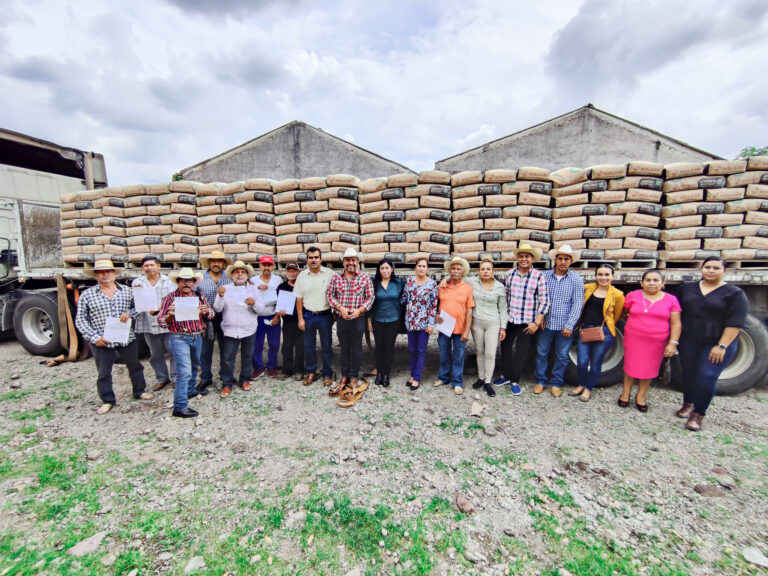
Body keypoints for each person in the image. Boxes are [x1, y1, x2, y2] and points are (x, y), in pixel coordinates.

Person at [675, 257, 748, 431]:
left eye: (716, 268)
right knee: (689, 373)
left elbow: (735, 323)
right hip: (690, 340)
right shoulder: (686, 289)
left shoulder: (735, 294)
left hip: (717, 343)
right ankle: (688, 403)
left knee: (706, 376)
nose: (711, 270)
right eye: (707, 267)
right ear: (701, 269)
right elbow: (675, 313)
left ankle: (698, 413)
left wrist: (722, 346)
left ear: (724, 271)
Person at [75, 259, 153, 415]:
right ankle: (108, 400)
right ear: (95, 275)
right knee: (104, 372)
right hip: (102, 340)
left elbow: (139, 308)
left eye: (108, 271)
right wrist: (94, 337)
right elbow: (81, 319)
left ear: (114, 274)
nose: (105, 274)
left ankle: (139, 391)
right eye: (100, 272)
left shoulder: (127, 291)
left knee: (135, 366)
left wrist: (129, 314)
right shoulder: (87, 295)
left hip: (126, 337)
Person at [619, 269, 681, 412]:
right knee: (630, 366)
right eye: (648, 280)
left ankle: (641, 396)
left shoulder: (671, 300)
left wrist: (673, 343)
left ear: (663, 283)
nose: (651, 283)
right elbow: (623, 313)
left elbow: (676, 324)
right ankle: (625, 393)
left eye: (655, 280)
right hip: (634, 339)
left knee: (649, 368)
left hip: (657, 342)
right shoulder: (633, 296)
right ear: (642, 283)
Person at [159, 268, 215, 418]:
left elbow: (211, 314)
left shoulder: (199, 296)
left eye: (189, 281)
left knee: (195, 365)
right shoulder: (170, 298)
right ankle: (179, 407)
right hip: (179, 337)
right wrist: (170, 315)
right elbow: (161, 322)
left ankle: (190, 390)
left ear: (194, 282)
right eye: (183, 280)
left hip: (197, 336)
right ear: (178, 282)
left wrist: (206, 311)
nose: (186, 283)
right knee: (184, 372)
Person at [495, 244, 550, 395]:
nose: (524, 259)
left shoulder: (539, 276)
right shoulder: (510, 274)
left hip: (527, 322)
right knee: (505, 348)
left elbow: (544, 301)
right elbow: (505, 297)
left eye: (527, 256)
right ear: (517, 258)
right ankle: (506, 376)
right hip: (510, 319)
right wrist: (502, 319)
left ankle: (515, 380)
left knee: (521, 352)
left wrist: (536, 322)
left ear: (532, 259)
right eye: (521, 256)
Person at [534, 245, 584, 397]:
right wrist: (540, 317)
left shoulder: (576, 280)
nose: (563, 261)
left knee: (562, 355)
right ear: (555, 260)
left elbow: (577, 304)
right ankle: (540, 381)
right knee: (541, 353)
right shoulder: (544, 276)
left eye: (566, 259)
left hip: (564, 325)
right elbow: (537, 297)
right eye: (560, 258)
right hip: (546, 324)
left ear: (571, 261)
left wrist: (570, 325)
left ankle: (556, 383)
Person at [571, 263, 625, 402]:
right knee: (582, 361)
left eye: (607, 274)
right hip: (585, 330)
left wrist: (606, 327)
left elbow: (617, 315)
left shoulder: (618, 295)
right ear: (595, 276)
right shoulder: (588, 288)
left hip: (604, 333)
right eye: (600, 274)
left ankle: (588, 388)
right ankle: (581, 384)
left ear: (613, 276)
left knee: (596, 362)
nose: (603, 277)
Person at [327, 247, 375, 394]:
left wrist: (360, 310)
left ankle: (353, 376)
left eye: (353, 260)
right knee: (344, 347)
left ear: (357, 262)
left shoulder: (365, 278)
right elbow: (330, 295)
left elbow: (370, 297)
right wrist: (339, 308)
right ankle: (345, 375)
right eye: (347, 260)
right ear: (343, 262)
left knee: (357, 347)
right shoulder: (336, 278)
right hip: (342, 319)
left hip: (358, 319)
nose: (350, 263)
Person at [214, 261, 264, 397]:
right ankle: (227, 384)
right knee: (228, 358)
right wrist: (220, 296)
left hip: (249, 328)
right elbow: (217, 308)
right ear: (232, 275)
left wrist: (254, 303)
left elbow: (260, 309)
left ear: (247, 275)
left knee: (247, 356)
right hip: (230, 330)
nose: (240, 274)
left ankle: (245, 380)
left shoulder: (253, 289)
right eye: (237, 272)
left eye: (243, 272)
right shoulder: (225, 289)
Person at [131, 255, 176, 391]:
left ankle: (175, 378)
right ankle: (162, 378)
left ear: (158, 266)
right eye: (146, 266)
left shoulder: (169, 282)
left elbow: (174, 302)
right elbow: (135, 303)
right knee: (155, 354)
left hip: (168, 323)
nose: (149, 268)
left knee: (173, 352)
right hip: (148, 323)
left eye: (152, 265)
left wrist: (160, 310)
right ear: (142, 268)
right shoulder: (137, 283)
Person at [294, 246, 335, 387]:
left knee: (326, 346)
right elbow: (299, 299)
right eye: (310, 258)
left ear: (321, 259)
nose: (313, 260)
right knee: (309, 346)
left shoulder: (329, 274)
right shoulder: (302, 276)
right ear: (307, 260)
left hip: (325, 315)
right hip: (308, 315)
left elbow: (337, 294)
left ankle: (327, 373)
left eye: (316, 257)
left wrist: (335, 314)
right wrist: (300, 318)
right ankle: (311, 372)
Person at [468, 258, 507, 397]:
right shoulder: (473, 282)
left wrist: (503, 327)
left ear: (493, 271)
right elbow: (456, 276)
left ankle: (487, 381)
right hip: (476, 322)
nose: (485, 271)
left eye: (488, 269)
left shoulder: (499, 287)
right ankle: (481, 377)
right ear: (478, 271)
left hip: (493, 323)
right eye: (482, 269)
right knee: (480, 351)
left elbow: (503, 309)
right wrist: (444, 280)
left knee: (490, 353)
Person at [435, 256, 474, 395]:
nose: (455, 271)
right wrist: (436, 315)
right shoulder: (441, 286)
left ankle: (457, 382)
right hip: (444, 327)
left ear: (462, 272)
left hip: (460, 328)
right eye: (453, 268)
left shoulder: (467, 288)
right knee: (444, 354)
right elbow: (434, 304)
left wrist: (467, 331)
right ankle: (443, 378)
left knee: (459, 356)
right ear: (449, 271)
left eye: (458, 269)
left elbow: (469, 311)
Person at [197, 250, 232, 392]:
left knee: (226, 349)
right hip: (206, 319)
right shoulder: (199, 279)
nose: (216, 264)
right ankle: (205, 377)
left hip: (225, 317)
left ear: (224, 264)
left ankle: (225, 376)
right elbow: (191, 295)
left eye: (219, 261)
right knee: (205, 350)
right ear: (209, 263)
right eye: (213, 261)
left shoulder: (229, 279)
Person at [401, 257, 438, 391]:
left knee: (421, 350)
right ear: (415, 268)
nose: (421, 268)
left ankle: (417, 377)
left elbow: (433, 305)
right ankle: (412, 375)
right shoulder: (410, 281)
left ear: (427, 268)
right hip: (411, 320)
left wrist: (431, 324)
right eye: (419, 266)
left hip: (424, 322)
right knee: (412, 350)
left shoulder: (432, 284)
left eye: (424, 266)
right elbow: (404, 297)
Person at [367, 258, 405, 388]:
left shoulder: (398, 283)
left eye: (387, 268)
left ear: (392, 269)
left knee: (389, 347)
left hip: (393, 320)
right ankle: (379, 372)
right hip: (377, 319)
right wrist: (369, 320)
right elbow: (370, 302)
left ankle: (386, 373)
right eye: (382, 268)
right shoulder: (374, 283)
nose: (385, 270)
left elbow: (406, 296)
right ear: (379, 270)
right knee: (379, 347)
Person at [251, 255, 282, 379]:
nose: (266, 268)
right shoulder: (253, 280)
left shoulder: (278, 280)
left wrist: (277, 315)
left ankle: (271, 366)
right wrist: (256, 289)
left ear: (273, 266)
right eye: (264, 265)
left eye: (269, 265)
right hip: (257, 317)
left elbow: (282, 298)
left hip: (273, 316)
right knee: (257, 344)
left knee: (274, 344)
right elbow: (248, 297)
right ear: (260, 266)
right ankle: (258, 368)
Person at [276, 263, 305, 381]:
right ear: (286, 272)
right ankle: (287, 370)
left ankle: (299, 370)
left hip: (301, 320)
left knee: (300, 346)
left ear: (298, 272)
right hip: (288, 321)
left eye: (294, 271)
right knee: (287, 346)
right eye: (289, 271)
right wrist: (280, 313)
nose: (291, 273)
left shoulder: (302, 286)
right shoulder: (282, 287)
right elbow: (279, 304)